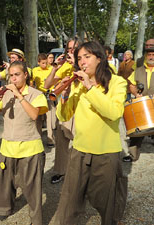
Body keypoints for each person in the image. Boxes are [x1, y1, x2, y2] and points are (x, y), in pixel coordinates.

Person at [53, 41, 127, 225]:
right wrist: (64, 94)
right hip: (79, 150)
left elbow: (114, 113)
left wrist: (90, 87)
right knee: (70, 202)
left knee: (107, 203)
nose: (82, 62)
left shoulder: (117, 82)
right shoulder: (77, 84)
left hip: (106, 152)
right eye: (79, 58)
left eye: (87, 57)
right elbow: (63, 115)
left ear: (100, 58)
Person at [0, 61, 48, 225]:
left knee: (32, 189)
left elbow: (34, 115)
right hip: (7, 147)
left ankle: (36, 220)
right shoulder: (6, 94)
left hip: (30, 148)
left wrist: (19, 96)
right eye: (10, 75)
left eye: (16, 75)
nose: (13, 79)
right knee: (5, 185)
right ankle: (4, 208)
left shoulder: (36, 94)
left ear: (25, 75)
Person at [44, 38, 80, 184]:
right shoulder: (65, 66)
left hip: (80, 110)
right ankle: (60, 171)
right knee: (61, 142)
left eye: (74, 49)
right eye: (69, 49)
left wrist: (77, 66)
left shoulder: (86, 65)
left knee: (79, 144)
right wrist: (55, 67)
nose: (71, 51)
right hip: (64, 108)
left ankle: (79, 172)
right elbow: (47, 84)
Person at [126, 47, 154, 161]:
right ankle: (133, 155)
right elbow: (131, 85)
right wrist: (135, 93)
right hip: (142, 104)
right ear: (145, 56)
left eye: (153, 54)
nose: (151, 57)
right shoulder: (138, 70)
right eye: (149, 55)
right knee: (137, 129)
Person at [32, 53, 56, 147]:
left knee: (50, 119)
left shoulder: (51, 69)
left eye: (46, 63)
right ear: (38, 62)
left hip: (49, 95)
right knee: (38, 119)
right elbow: (31, 83)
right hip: (39, 96)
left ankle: (50, 139)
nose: (45, 65)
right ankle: (38, 138)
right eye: (43, 63)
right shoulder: (34, 71)